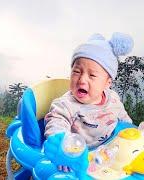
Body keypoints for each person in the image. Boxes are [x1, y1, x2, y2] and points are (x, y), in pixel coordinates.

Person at [44, 32, 134, 171]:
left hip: (108, 155)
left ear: (107, 83)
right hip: (78, 160)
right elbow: (57, 125)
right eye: (77, 72)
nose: (82, 80)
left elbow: (123, 121)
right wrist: (64, 149)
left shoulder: (113, 99)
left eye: (92, 75)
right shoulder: (65, 105)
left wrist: (132, 134)